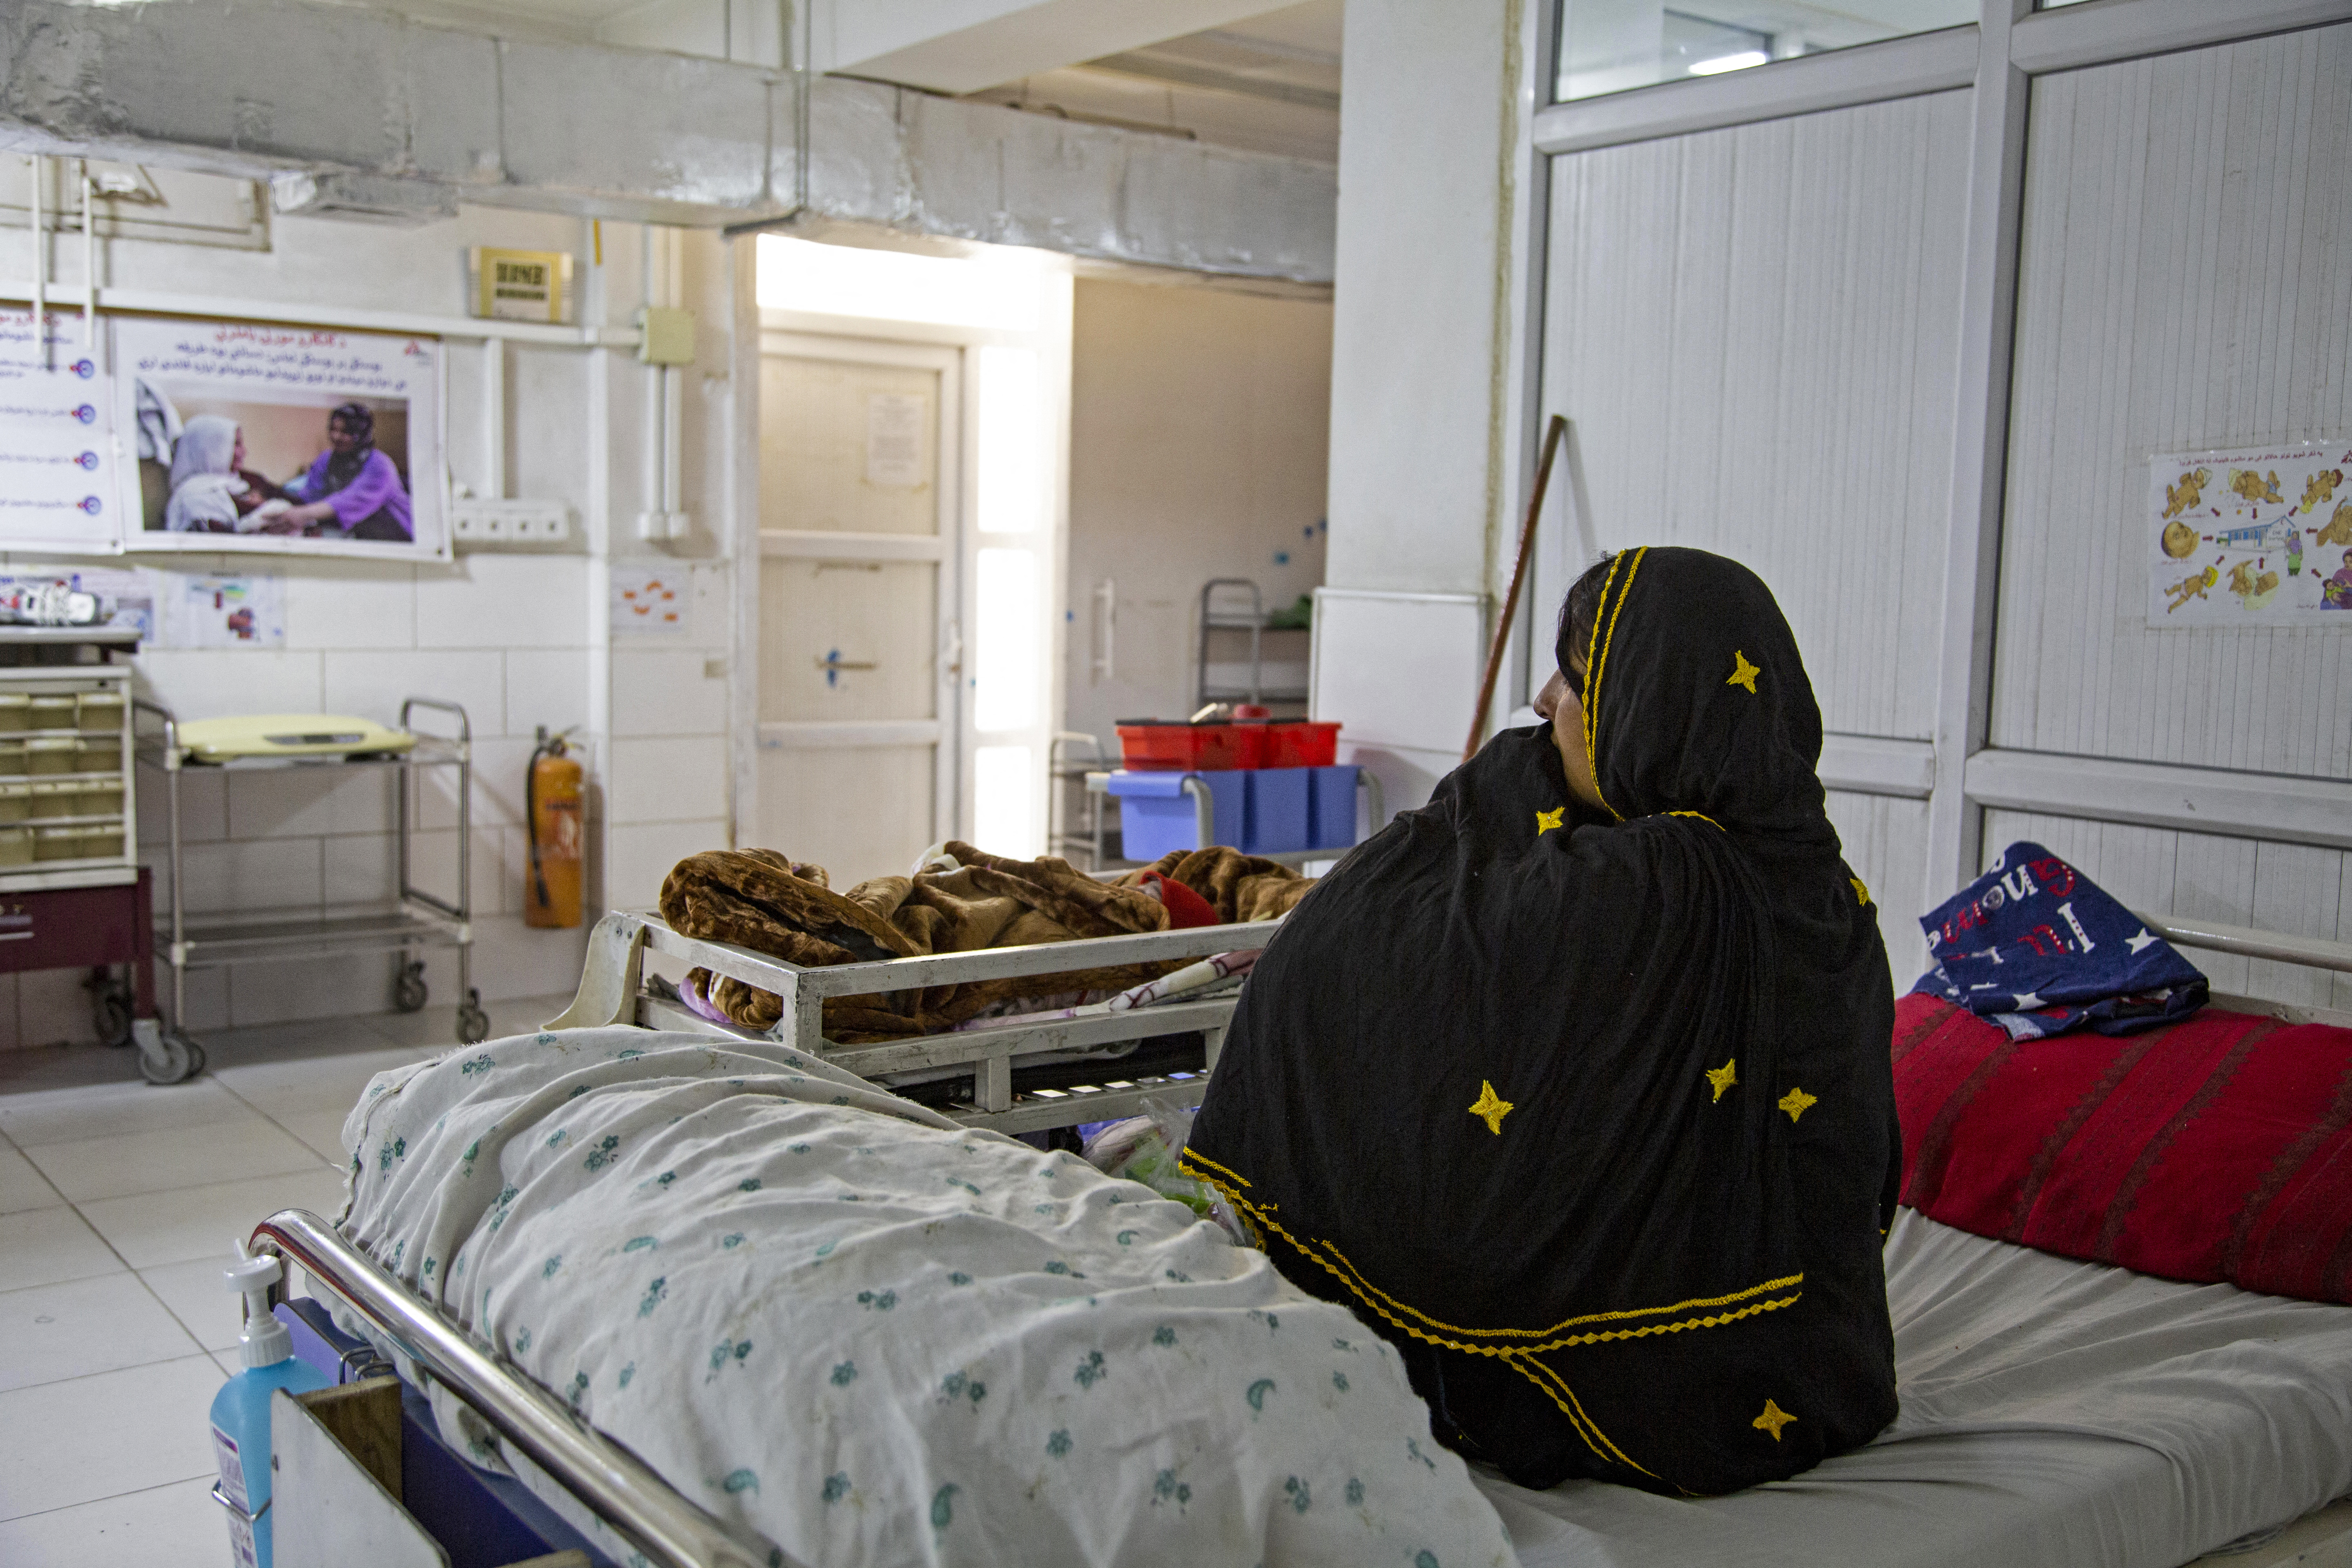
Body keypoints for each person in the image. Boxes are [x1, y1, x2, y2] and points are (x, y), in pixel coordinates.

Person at [1180, 546, 1901, 1497]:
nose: (1539, 699)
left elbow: (1359, 941)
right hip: (1816, 1364)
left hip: (1638, 1391)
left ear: (1654, 701)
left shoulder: (1657, 884)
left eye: (1575, 672)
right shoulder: (1821, 884)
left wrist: (1494, 790)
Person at [279, 402, 412, 541]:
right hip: (361, 535)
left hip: (399, 536)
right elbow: (311, 496)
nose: (336, 437)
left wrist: (303, 514)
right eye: (333, 430)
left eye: (345, 432)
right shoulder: (326, 459)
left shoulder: (380, 466)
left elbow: (348, 501)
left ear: (362, 435)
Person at [162, 416, 294, 533]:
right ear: (209, 448)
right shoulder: (194, 496)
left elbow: (295, 503)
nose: (243, 452)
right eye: (236, 444)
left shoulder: (249, 479)